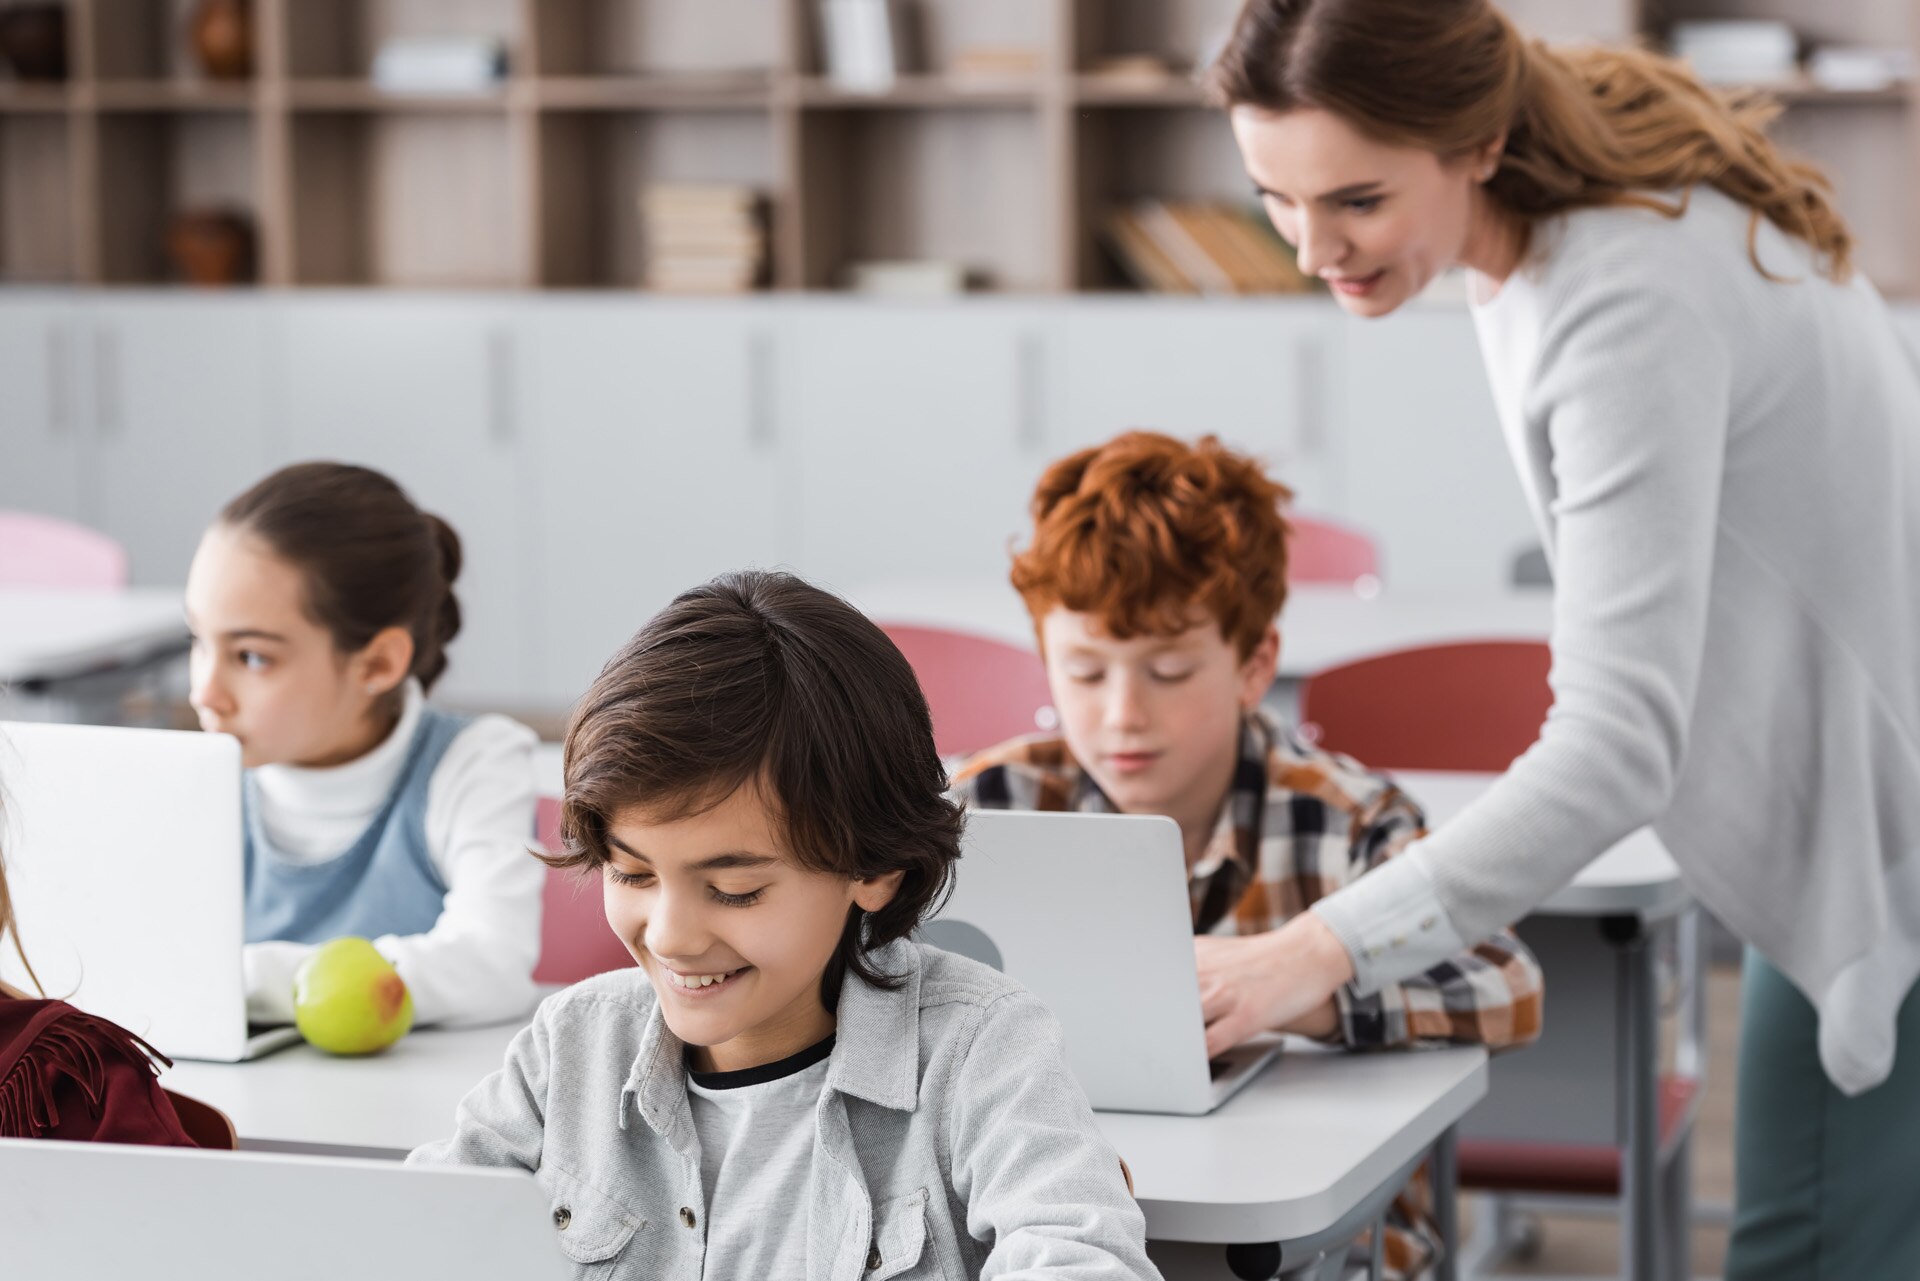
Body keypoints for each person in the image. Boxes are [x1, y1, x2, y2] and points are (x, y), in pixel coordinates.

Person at [1203, 2, 1920, 1273]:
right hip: (1859, 821)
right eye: (1276, 196)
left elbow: (1612, 751)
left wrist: (1315, 954)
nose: (1314, 247)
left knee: (1803, 1247)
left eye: (1356, 199)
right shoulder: (1575, 197)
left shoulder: (1620, 293)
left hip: (1886, 853)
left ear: (1472, 143)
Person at [410, 570, 1159, 1280]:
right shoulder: (569, 1046)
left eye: (734, 889)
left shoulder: (978, 1051)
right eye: (631, 873)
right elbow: (401, 1240)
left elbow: (1080, 1254)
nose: (670, 934)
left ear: (873, 867)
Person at [951, 429, 1542, 1279]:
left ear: (1256, 662)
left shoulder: (1345, 818)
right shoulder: (985, 807)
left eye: (1167, 670)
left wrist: (1302, 990)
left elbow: (1511, 982)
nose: (1122, 715)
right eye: (1084, 672)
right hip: (1048, 1224)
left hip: (1326, 1244)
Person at [186, 462, 542, 1028]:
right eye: (197, 641)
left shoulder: (474, 762)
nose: (203, 691)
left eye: (251, 657)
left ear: (377, 663)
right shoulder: (192, 779)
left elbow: (490, 964)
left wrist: (241, 978)